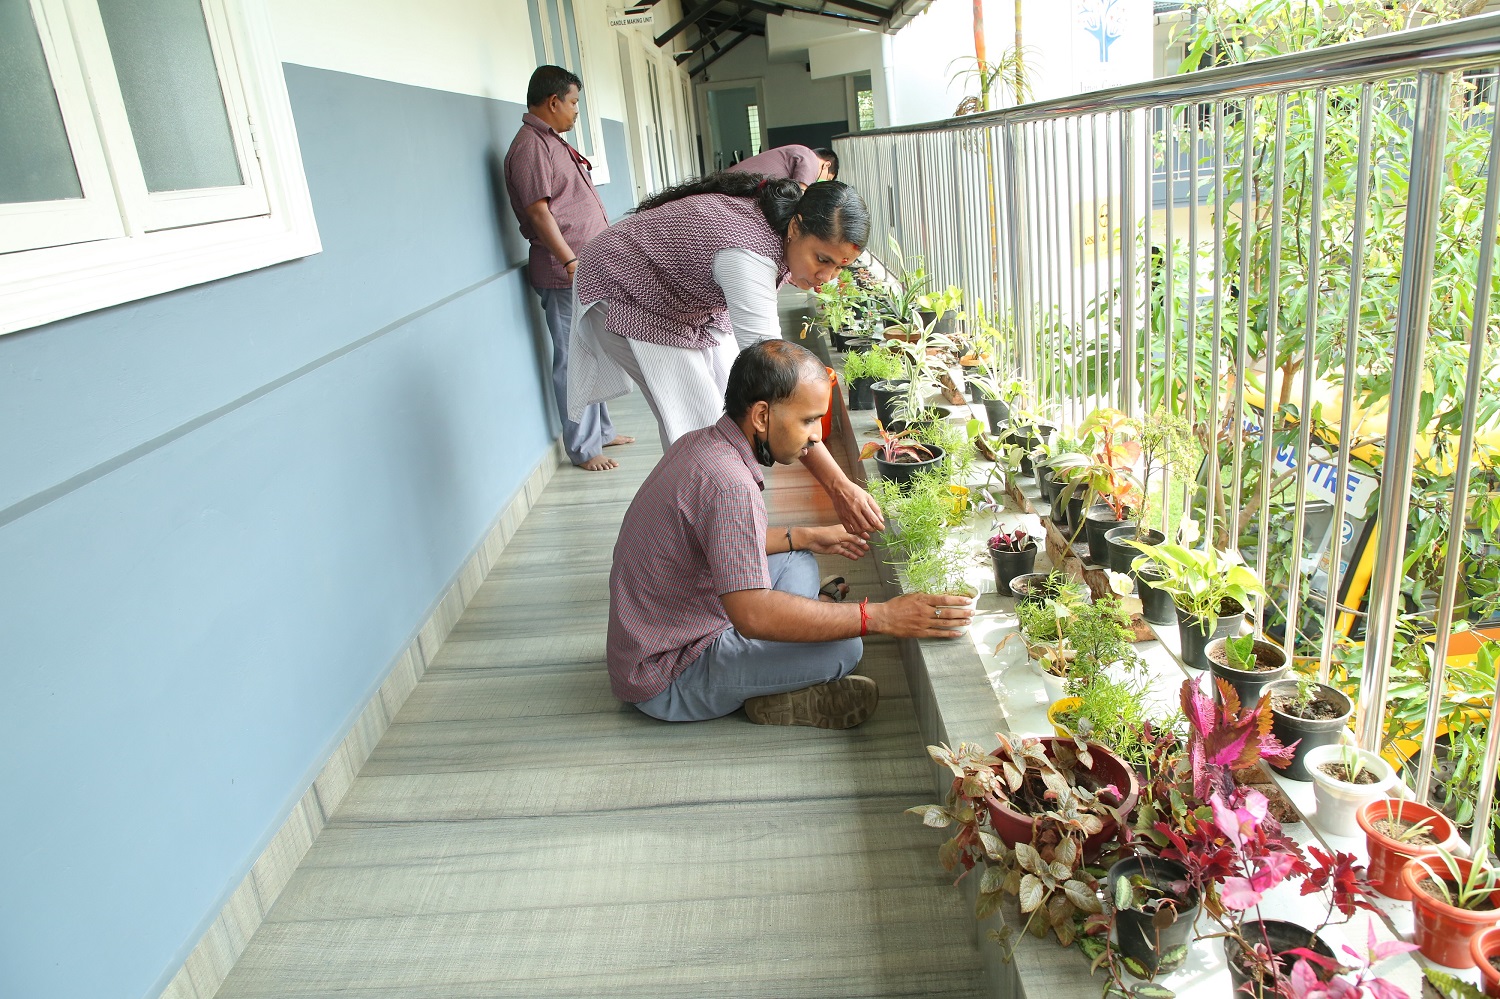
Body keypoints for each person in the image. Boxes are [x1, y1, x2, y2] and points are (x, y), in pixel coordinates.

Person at [607, 340, 974, 728]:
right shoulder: (729, 483)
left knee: (798, 553)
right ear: (762, 416)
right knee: (845, 649)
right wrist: (882, 616)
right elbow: (751, 616)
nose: (817, 435)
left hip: (682, 622)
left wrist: (809, 536)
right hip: (669, 672)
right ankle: (776, 685)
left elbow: (718, 543)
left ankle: (795, 634)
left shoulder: (703, 444)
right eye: (808, 420)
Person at [567, 173, 882, 533]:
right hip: (624, 286)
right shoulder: (746, 256)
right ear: (795, 227)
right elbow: (777, 379)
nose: (827, 276)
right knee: (697, 425)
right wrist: (839, 485)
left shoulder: (776, 229)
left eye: (839, 267)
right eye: (822, 259)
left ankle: (734, 536)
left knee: (729, 410)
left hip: (681, 293)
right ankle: (711, 546)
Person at [503, 65, 633, 472]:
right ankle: (583, 448)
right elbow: (539, 214)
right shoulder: (530, 147)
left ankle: (602, 430)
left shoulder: (550, 142)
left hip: (584, 271)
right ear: (553, 101)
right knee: (573, 360)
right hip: (565, 274)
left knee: (594, 352)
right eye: (573, 103)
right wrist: (571, 260)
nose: (577, 111)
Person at [728, 144, 838, 186]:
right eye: (827, 179)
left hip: (724, 182)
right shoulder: (810, 158)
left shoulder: (797, 150)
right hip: (729, 187)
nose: (821, 182)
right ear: (826, 165)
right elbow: (801, 195)